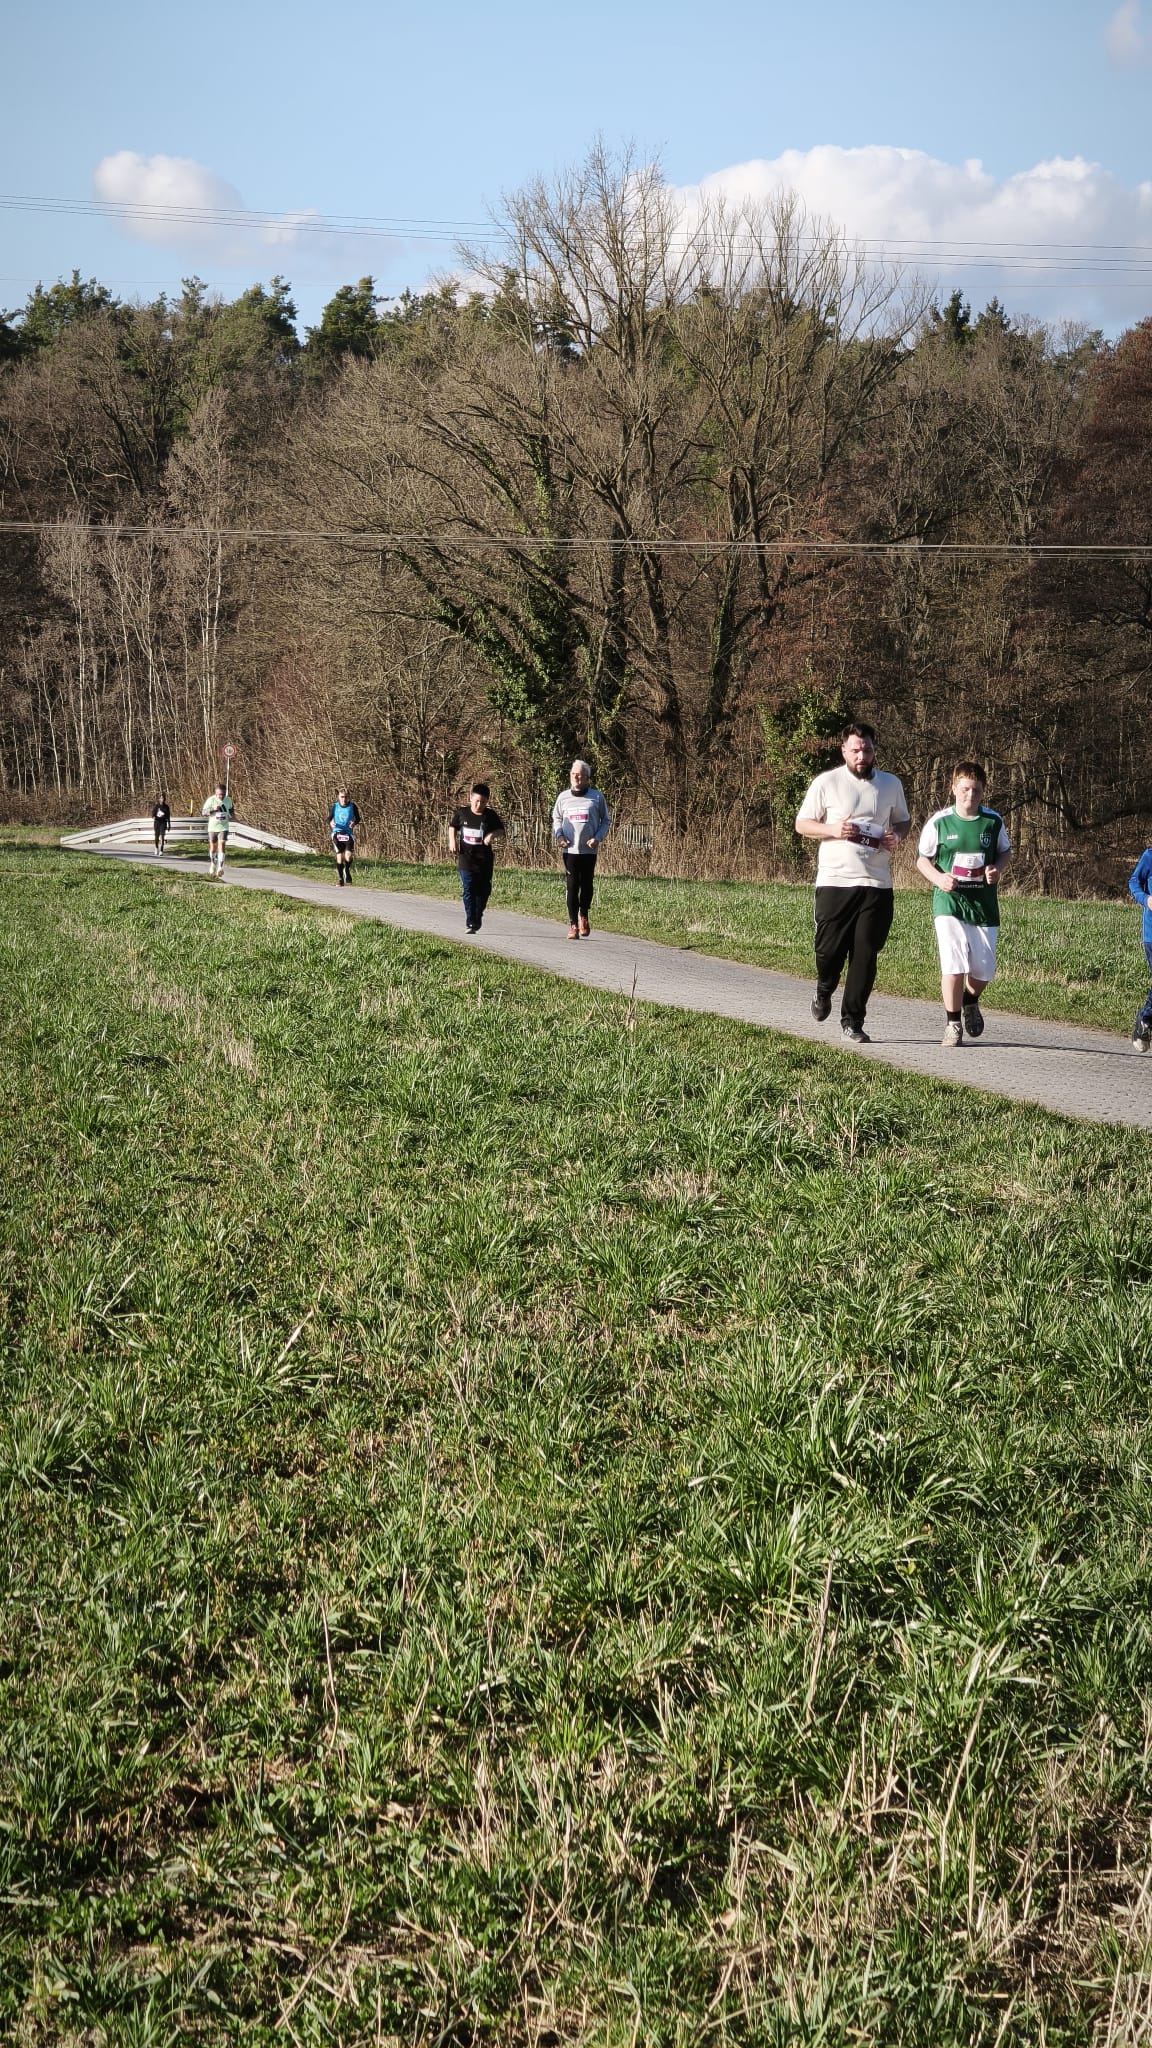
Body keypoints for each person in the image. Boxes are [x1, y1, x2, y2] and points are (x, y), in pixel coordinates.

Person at [794, 723, 910, 1044]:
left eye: (867, 750)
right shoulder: (827, 782)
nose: (862, 756)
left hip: (876, 883)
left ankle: (853, 1021)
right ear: (844, 750)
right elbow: (802, 824)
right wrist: (832, 830)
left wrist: (897, 836)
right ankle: (824, 988)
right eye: (856, 750)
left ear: (874, 751)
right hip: (835, 881)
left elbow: (903, 819)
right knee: (828, 952)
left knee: (865, 954)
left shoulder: (890, 784)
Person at [916, 763, 1012, 1048]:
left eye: (976, 790)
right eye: (965, 789)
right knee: (954, 964)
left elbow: (1005, 852)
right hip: (950, 902)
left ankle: (970, 1000)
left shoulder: (993, 821)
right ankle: (953, 1024)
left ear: (983, 791)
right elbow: (922, 860)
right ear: (953, 789)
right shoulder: (940, 822)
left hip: (982, 904)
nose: (970, 795)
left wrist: (996, 869)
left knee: (983, 970)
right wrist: (939, 878)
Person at [551, 759, 611, 939]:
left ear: (587, 778)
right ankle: (573, 925)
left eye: (579, 775)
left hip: (588, 850)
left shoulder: (597, 797)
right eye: (573, 774)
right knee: (572, 885)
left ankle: (583, 914)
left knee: (586, 885)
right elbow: (556, 818)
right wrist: (559, 836)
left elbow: (606, 821)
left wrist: (597, 838)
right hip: (570, 850)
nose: (576, 777)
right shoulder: (563, 797)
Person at [448, 781, 505, 932]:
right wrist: (452, 841)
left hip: (484, 860)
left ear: (487, 802)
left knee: (484, 891)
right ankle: (471, 922)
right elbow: (453, 826)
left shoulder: (490, 815)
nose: (479, 805)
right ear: (471, 798)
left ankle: (477, 915)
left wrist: (491, 835)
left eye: (483, 802)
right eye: (477, 801)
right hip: (466, 859)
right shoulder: (462, 813)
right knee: (468, 889)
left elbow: (501, 830)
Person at [1126, 845, 1152, 1052]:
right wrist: (1146, 899)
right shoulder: (1150, 856)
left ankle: (1145, 1019)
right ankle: (1145, 1019)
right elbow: (1134, 881)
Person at [328, 786, 362, 886]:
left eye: (346, 797)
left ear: (349, 797)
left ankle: (346, 869)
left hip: (348, 834)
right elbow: (329, 818)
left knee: (348, 857)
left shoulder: (352, 806)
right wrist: (331, 823)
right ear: (338, 797)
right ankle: (340, 879)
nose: (344, 799)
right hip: (337, 833)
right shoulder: (335, 806)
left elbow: (358, 818)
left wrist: (354, 823)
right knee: (339, 857)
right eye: (342, 797)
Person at [201, 783, 234, 877]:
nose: (221, 796)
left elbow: (231, 810)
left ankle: (220, 867)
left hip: (223, 827)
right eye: (219, 794)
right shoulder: (211, 800)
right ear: (215, 793)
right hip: (212, 827)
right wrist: (213, 809)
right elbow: (203, 812)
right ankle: (212, 863)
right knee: (213, 848)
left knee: (222, 844)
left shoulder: (228, 800)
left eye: (223, 794)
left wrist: (233, 817)